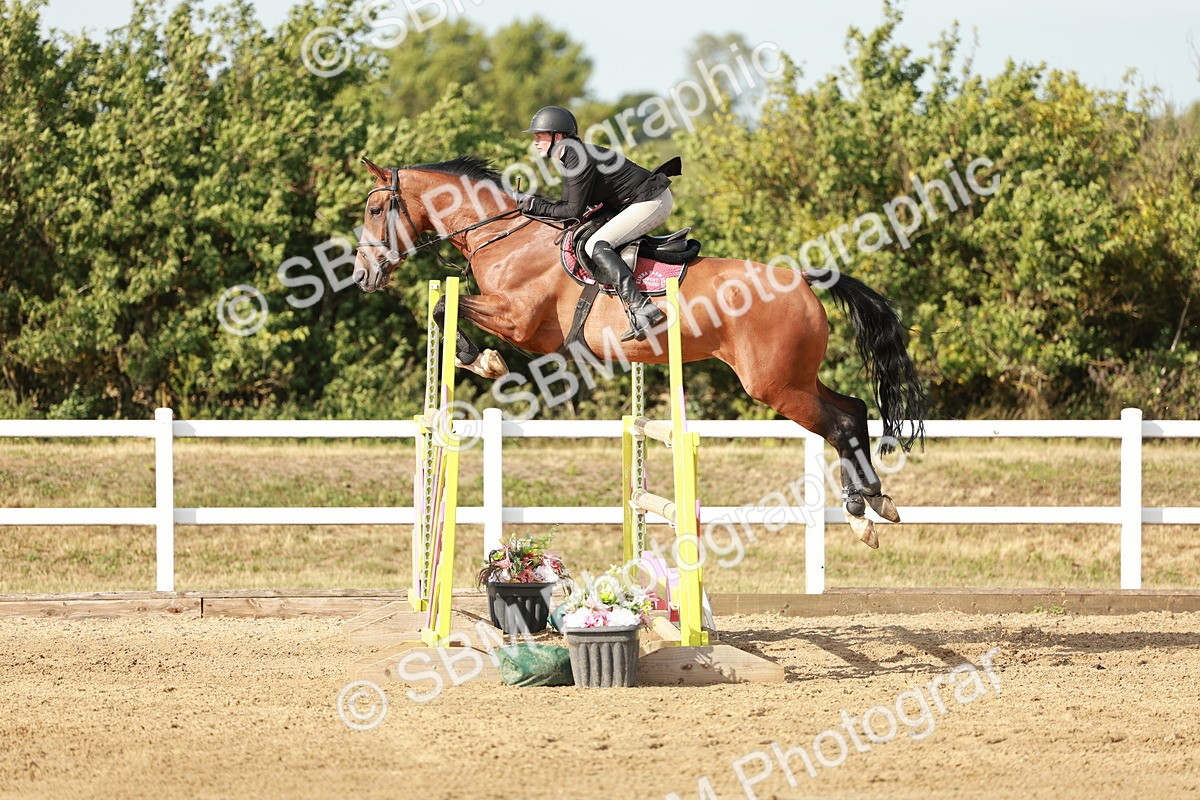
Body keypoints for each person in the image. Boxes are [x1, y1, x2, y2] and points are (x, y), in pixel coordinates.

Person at [514, 106, 672, 342]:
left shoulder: (577, 158)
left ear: (558, 136)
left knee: (596, 244)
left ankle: (641, 307)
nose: (535, 142)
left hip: (651, 200)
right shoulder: (571, 157)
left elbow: (571, 211)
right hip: (633, 202)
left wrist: (535, 205)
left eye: (539, 136)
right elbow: (570, 208)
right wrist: (536, 203)